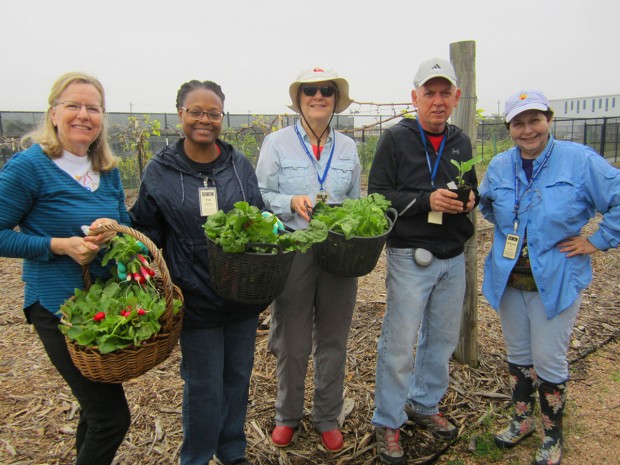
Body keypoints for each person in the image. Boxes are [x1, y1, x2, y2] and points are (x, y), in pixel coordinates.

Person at [479, 90, 620, 465]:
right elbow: (487, 203)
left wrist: (598, 240)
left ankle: (552, 435)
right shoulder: (500, 165)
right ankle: (522, 421)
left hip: (555, 280)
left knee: (549, 360)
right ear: (509, 128)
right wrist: (513, 229)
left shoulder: (578, 161)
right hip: (509, 280)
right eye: (518, 123)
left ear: (548, 120)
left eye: (534, 120)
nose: (528, 130)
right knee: (519, 355)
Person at [130, 80, 266, 465]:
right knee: (203, 384)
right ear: (180, 115)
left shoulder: (238, 165)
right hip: (195, 295)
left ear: (222, 117)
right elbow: (148, 232)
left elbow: (258, 217)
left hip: (241, 292)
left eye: (213, 113)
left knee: (238, 376)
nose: (204, 120)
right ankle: (196, 456)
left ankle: (231, 450)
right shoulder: (161, 171)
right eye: (196, 112)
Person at [0, 72, 131, 465]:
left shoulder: (106, 168)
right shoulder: (30, 167)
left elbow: (127, 223)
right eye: (73, 105)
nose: (83, 115)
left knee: (97, 411)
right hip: (58, 309)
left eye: (93, 108)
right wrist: (57, 245)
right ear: (54, 112)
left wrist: (113, 232)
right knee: (112, 417)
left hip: (100, 310)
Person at [367, 58, 479, 464]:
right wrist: (425, 200)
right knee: (399, 343)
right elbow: (377, 196)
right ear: (414, 97)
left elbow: (473, 192)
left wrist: (469, 200)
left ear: (456, 97)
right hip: (410, 255)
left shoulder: (461, 140)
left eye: (444, 92)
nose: (436, 100)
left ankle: (425, 403)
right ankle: (388, 420)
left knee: (442, 340)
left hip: (453, 255)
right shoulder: (395, 140)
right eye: (428, 93)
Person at [255, 67, 361, 453]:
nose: (319, 97)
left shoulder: (348, 147)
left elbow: (355, 198)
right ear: (299, 99)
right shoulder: (276, 143)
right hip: (294, 249)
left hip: (338, 252)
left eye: (327, 91)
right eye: (310, 91)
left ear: (335, 99)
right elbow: (261, 193)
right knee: (292, 339)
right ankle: (287, 415)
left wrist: (349, 219)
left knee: (334, 337)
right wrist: (289, 202)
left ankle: (328, 416)